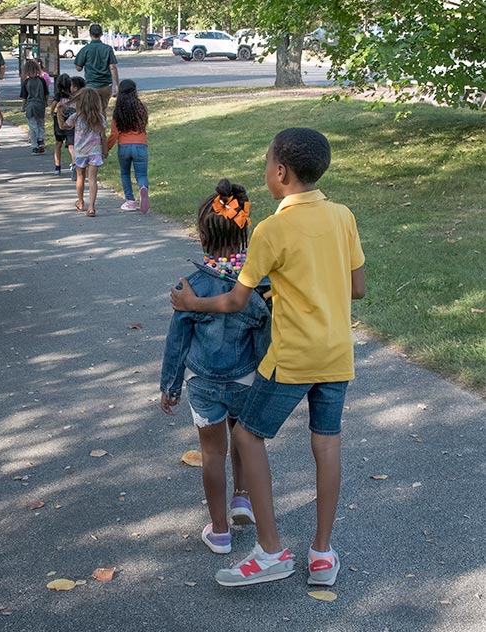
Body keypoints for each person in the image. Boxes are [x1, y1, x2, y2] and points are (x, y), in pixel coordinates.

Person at [171, 128, 366, 587]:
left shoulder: (272, 229)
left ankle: (272, 550)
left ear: (280, 172)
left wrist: (193, 305)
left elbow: (237, 301)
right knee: (327, 444)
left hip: (291, 358)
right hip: (336, 354)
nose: (265, 172)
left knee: (247, 438)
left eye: (266, 164)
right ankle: (322, 553)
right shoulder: (343, 216)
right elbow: (356, 288)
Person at [160, 179, 270, 555]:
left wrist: (170, 385)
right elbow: (266, 334)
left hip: (204, 382)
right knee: (245, 440)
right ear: (245, 233)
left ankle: (220, 530)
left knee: (212, 453)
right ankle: (242, 497)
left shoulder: (189, 287)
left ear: (203, 237)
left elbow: (177, 341)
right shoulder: (259, 285)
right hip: (246, 378)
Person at [57, 87, 107, 217]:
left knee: (80, 177)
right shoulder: (100, 118)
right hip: (95, 151)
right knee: (92, 179)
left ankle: (80, 201)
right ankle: (91, 207)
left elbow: (63, 126)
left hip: (80, 152)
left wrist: (58, 112)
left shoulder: (76, 117)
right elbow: (103, 136)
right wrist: (105, 150)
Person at [107, 79, 150, 214]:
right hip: (140, 144)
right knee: (141, 174)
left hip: (124, 146)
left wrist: (106, 149)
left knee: (125, 173)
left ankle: (130, 201)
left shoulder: (117, 112)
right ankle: (143, 188)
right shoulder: (142, 108)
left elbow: (114, 134)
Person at [75, 24, 119, 115]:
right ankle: (102, 128)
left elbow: (78, 68)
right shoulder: (108, 49)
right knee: (102, 111)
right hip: (106, 85)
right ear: (101, 34)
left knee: (91, 111)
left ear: (90, 34)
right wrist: (117, 85)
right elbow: (113, 67)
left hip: (91, 85)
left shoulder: (85, 49)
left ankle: (92, 128)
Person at [20, 59, 49, 154]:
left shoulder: (26, 82)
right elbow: (46, 94)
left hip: (30, 106)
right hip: (40, 105)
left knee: (32, 126)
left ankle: (35, 145)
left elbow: (24, 97)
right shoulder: (42, 81)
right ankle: (41, 140)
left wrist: (23, 107)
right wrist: (46, 102)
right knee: (41, 123)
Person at [50, 73, 72, 174]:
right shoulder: (72, 94)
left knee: (58, 143)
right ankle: (75, 164)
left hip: (59, 120)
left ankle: (57, 166)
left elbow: (54, 105)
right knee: (71, 144)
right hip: (70, 120)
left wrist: (52, 113)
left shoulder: (58, 94)